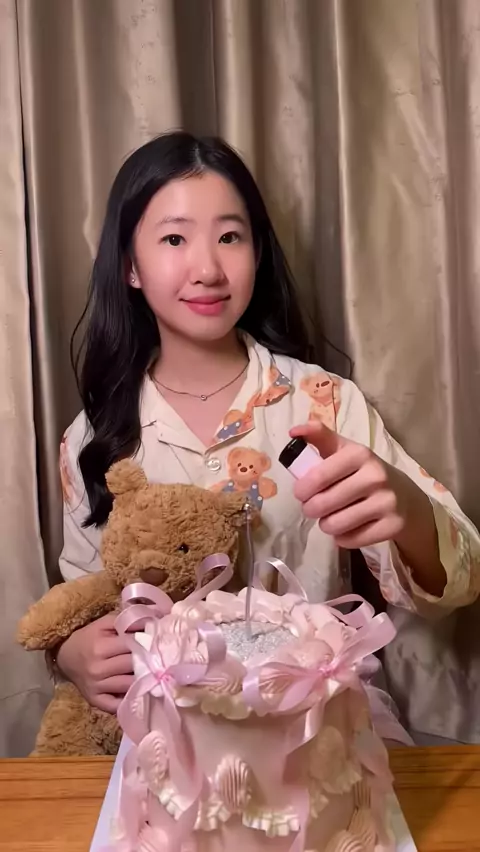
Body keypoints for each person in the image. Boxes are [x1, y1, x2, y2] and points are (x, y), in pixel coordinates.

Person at [56, 131, 480, 744]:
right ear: (129, 266)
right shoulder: (92, 439)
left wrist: (406, 507)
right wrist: (72, 651)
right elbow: (81, 603)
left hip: (320, 731)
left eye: (230, 236)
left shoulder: (324, 403)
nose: (208, 269)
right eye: (174, 239)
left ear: (257, 252)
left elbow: (460, 582)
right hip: (169, 743)